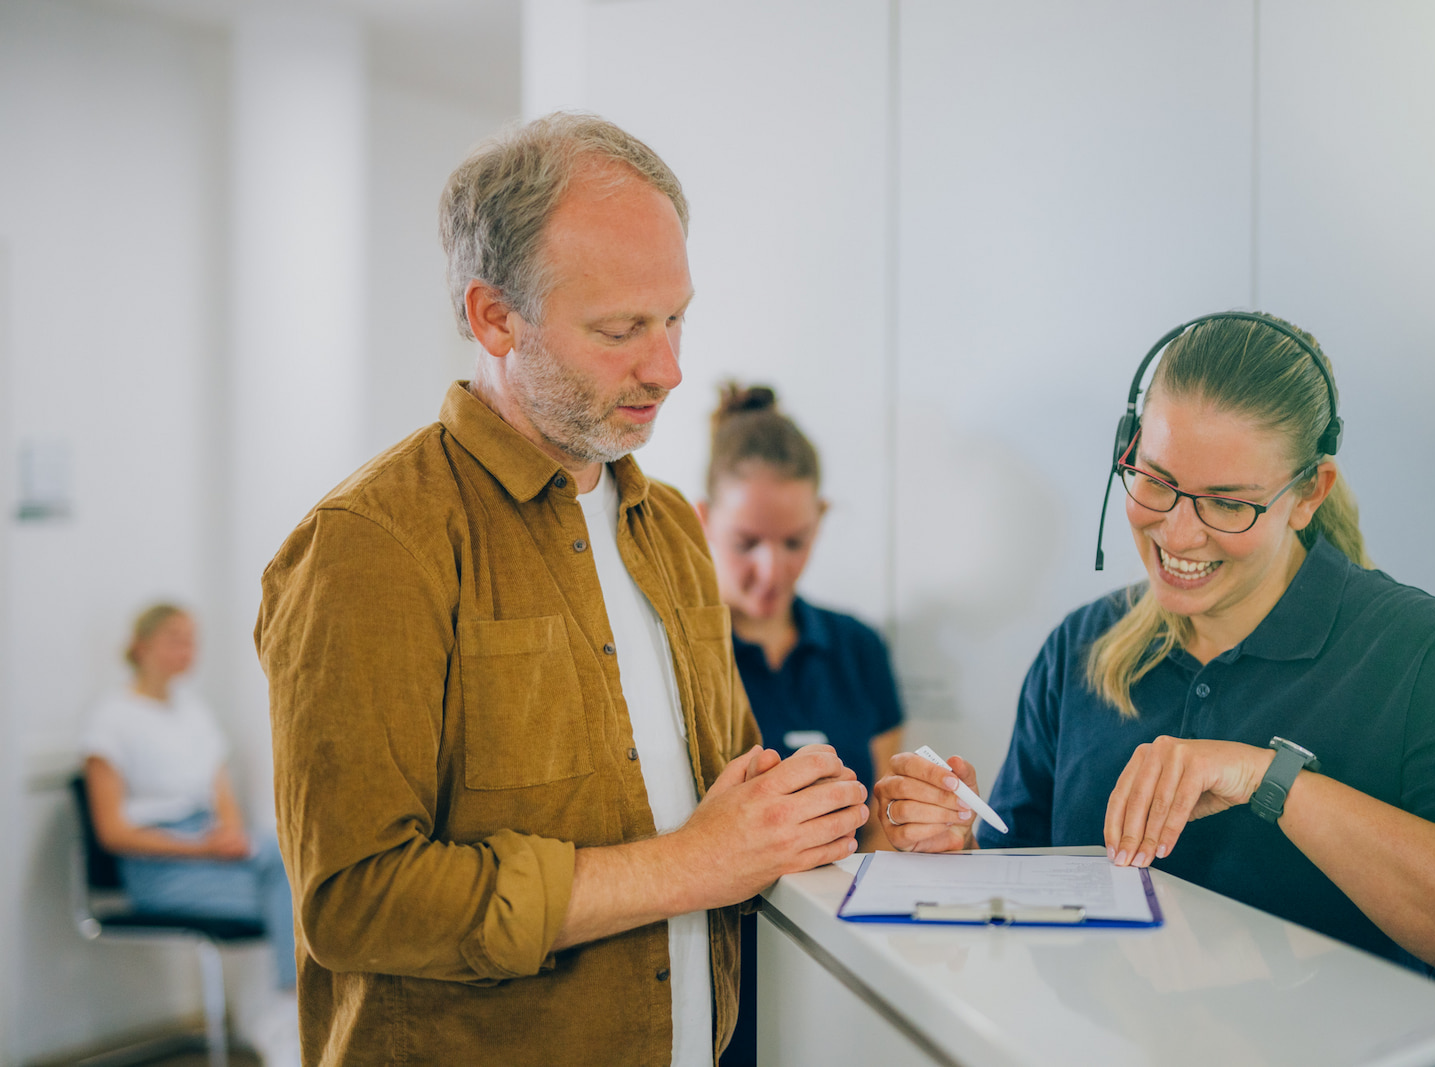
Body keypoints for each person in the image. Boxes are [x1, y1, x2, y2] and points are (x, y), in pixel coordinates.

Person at [255, 112, 869, 1066]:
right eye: (621, 329)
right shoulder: (367, 547)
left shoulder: (666, 529)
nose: (668, 369)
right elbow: (356, 900)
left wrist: (863, 819)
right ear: (493, 317)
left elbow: (737, 809)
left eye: (675, 319)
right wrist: (689, 864)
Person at [874, 313, 1435, 988]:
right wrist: (955, 849)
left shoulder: (1418, 651)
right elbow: (1021, 889)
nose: (1178, 534)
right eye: (1155, 480)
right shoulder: (1077, 650)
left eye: (1227, 503)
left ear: (1308, 493)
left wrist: (1270, 778)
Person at [696, 383, 904, 1065]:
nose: (771, 568)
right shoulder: (681, 655)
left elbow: (882, 824)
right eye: (746, 542)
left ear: (820, 518)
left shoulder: (859, 648)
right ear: (702, 521)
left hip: (840, 968)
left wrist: (924, 823)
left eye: (794, 541)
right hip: (715, 976)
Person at [81, 603, 296, 991]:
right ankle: (291, 1010)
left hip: (209, 844)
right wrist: (201, 849)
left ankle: (291, 1010)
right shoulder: (111, 721)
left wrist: (229, 834)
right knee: (299, 901)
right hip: (161, 867)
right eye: (175, 640)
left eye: (192, 642)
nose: (187, 651)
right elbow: (112, 832)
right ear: (141, 646)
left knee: (299, 861)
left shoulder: (193, 712)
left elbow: (221, 790)